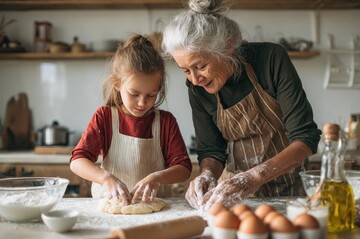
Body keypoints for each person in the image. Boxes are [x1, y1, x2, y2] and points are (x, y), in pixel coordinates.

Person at [162, 0, 322, 210]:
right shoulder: (197, 87)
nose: (194, 79)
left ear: (227, 47)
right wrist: (206, 174)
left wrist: (255, 176)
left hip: (290, 193)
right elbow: (212, 150)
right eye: (185, 70)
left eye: (200, 66)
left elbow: (305, 139)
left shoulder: (270, 59)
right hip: (233, 197)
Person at [70, 34, 192, 205]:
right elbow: (77, 162)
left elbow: (184, 169)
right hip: (111, 204)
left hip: (153, 208)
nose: (142, 103)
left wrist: (158, 177)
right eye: (134, 94)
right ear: (117, 84)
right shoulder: (105, 118)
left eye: (151, 95)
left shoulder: (165, 122)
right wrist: (105, 178)